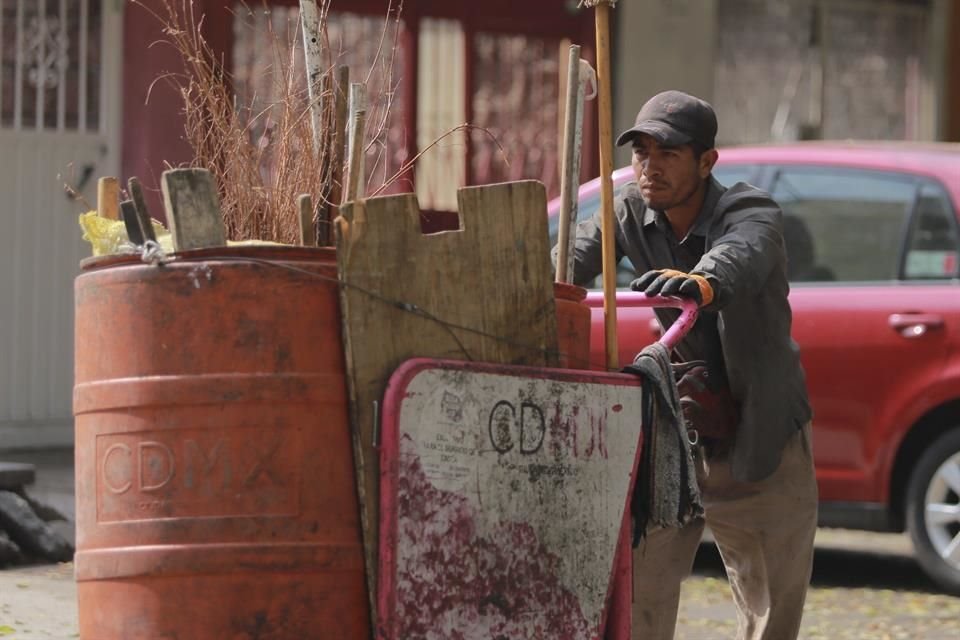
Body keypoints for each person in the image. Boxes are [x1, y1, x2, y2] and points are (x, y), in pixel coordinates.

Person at [555, 90, 818, 640]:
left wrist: (700, 282)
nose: (650, 167)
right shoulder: (624, 207)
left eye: (669, 153)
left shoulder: (748, 210)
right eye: (641, 152)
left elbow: (742, 253)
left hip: (762, 432)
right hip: (679, 430)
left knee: (770, 604)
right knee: (640, 587)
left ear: (706, 162)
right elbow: (566, 265)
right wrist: (533, 280)